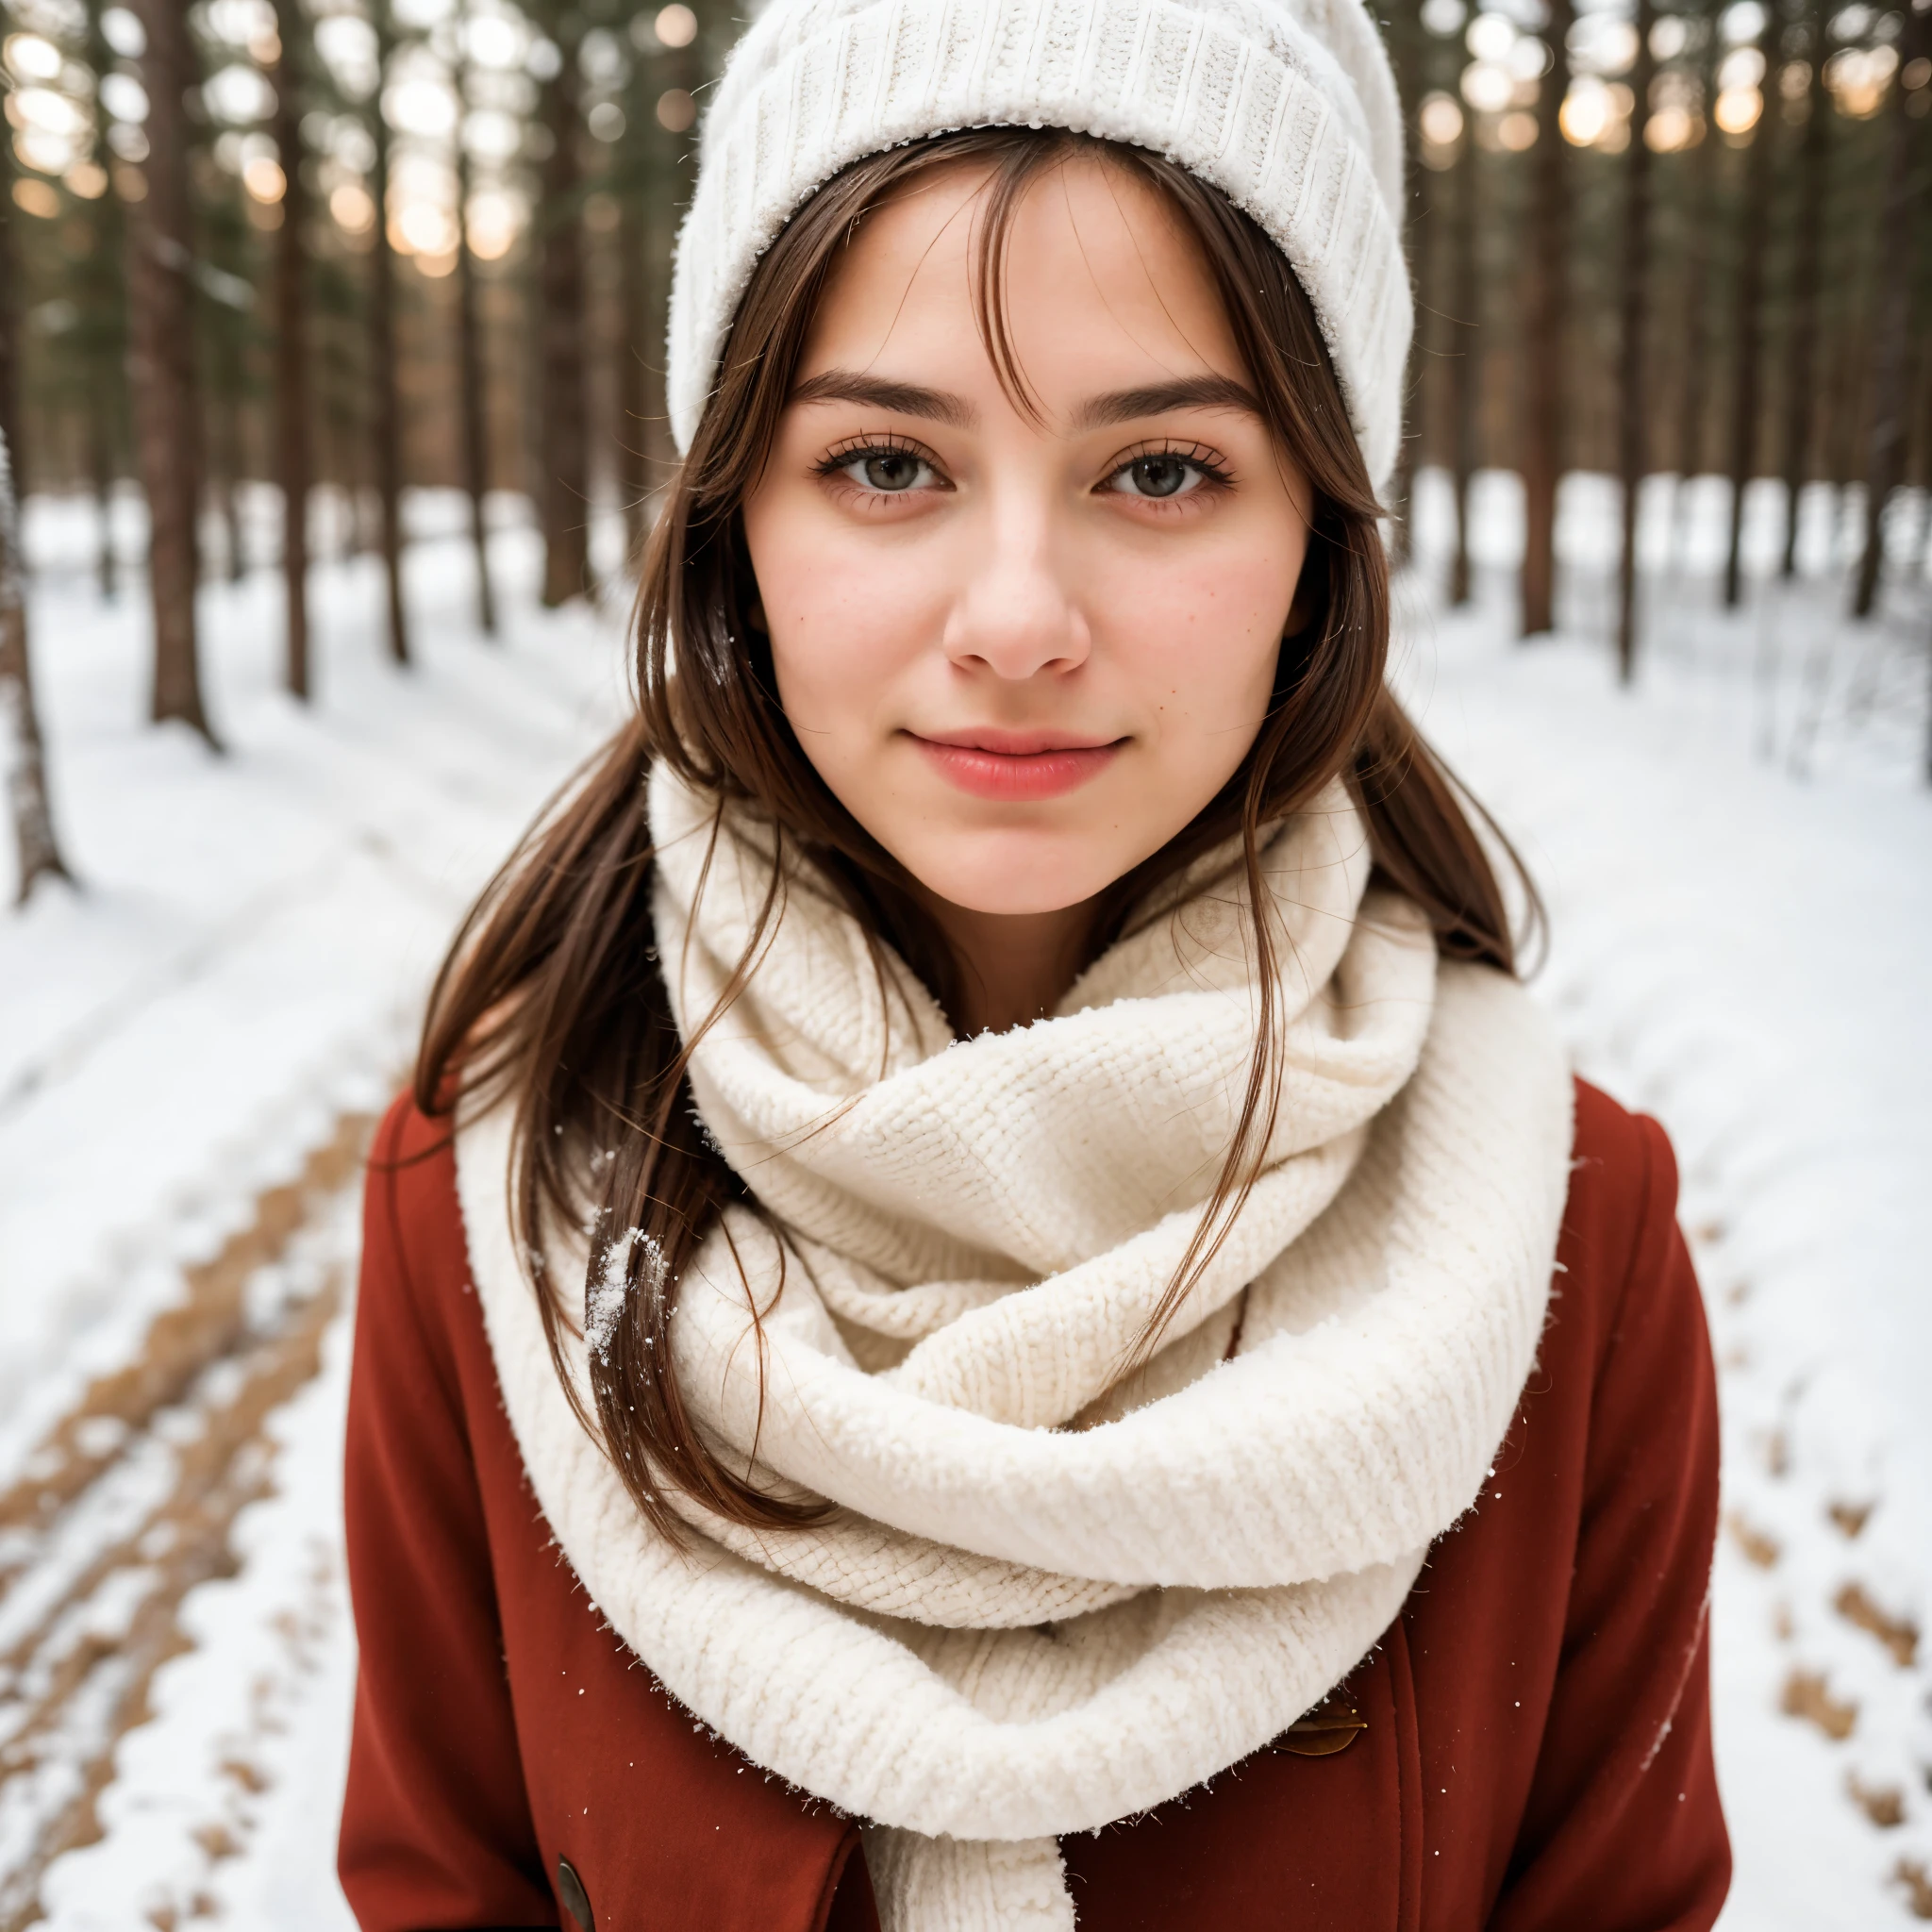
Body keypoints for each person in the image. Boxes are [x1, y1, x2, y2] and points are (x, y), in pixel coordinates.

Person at [337, 0, 1730, 1924]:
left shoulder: (1560, 1231)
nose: (1016, 619)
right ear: (731, 517)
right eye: (888, 465)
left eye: (1159, 471)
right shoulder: (496, 1192)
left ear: (1319, 540)